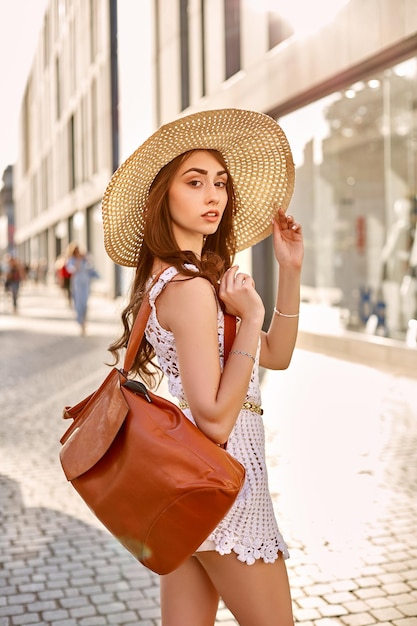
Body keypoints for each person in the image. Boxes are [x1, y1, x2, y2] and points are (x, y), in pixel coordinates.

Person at [102, 108, 304, 626]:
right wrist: (252, 312)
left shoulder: (178, 280)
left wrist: (289, 271)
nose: (214, 195)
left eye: (220, 183)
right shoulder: (191, 291)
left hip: (189, 488)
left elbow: (274, 356)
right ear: (163, 195)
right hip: (226, 485)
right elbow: (215, 421)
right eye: (195, 182)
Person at [65, 242, 99, 335]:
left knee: (85, 304)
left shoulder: (84, 259)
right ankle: (81, 323)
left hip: (86, 283)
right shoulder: (71, 260)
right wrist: (78, 261)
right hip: (77, 284)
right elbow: (72, 269)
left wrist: (86, 258)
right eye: (75, 251)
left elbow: (91, 268)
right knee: (78, 303)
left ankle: (84, 321)